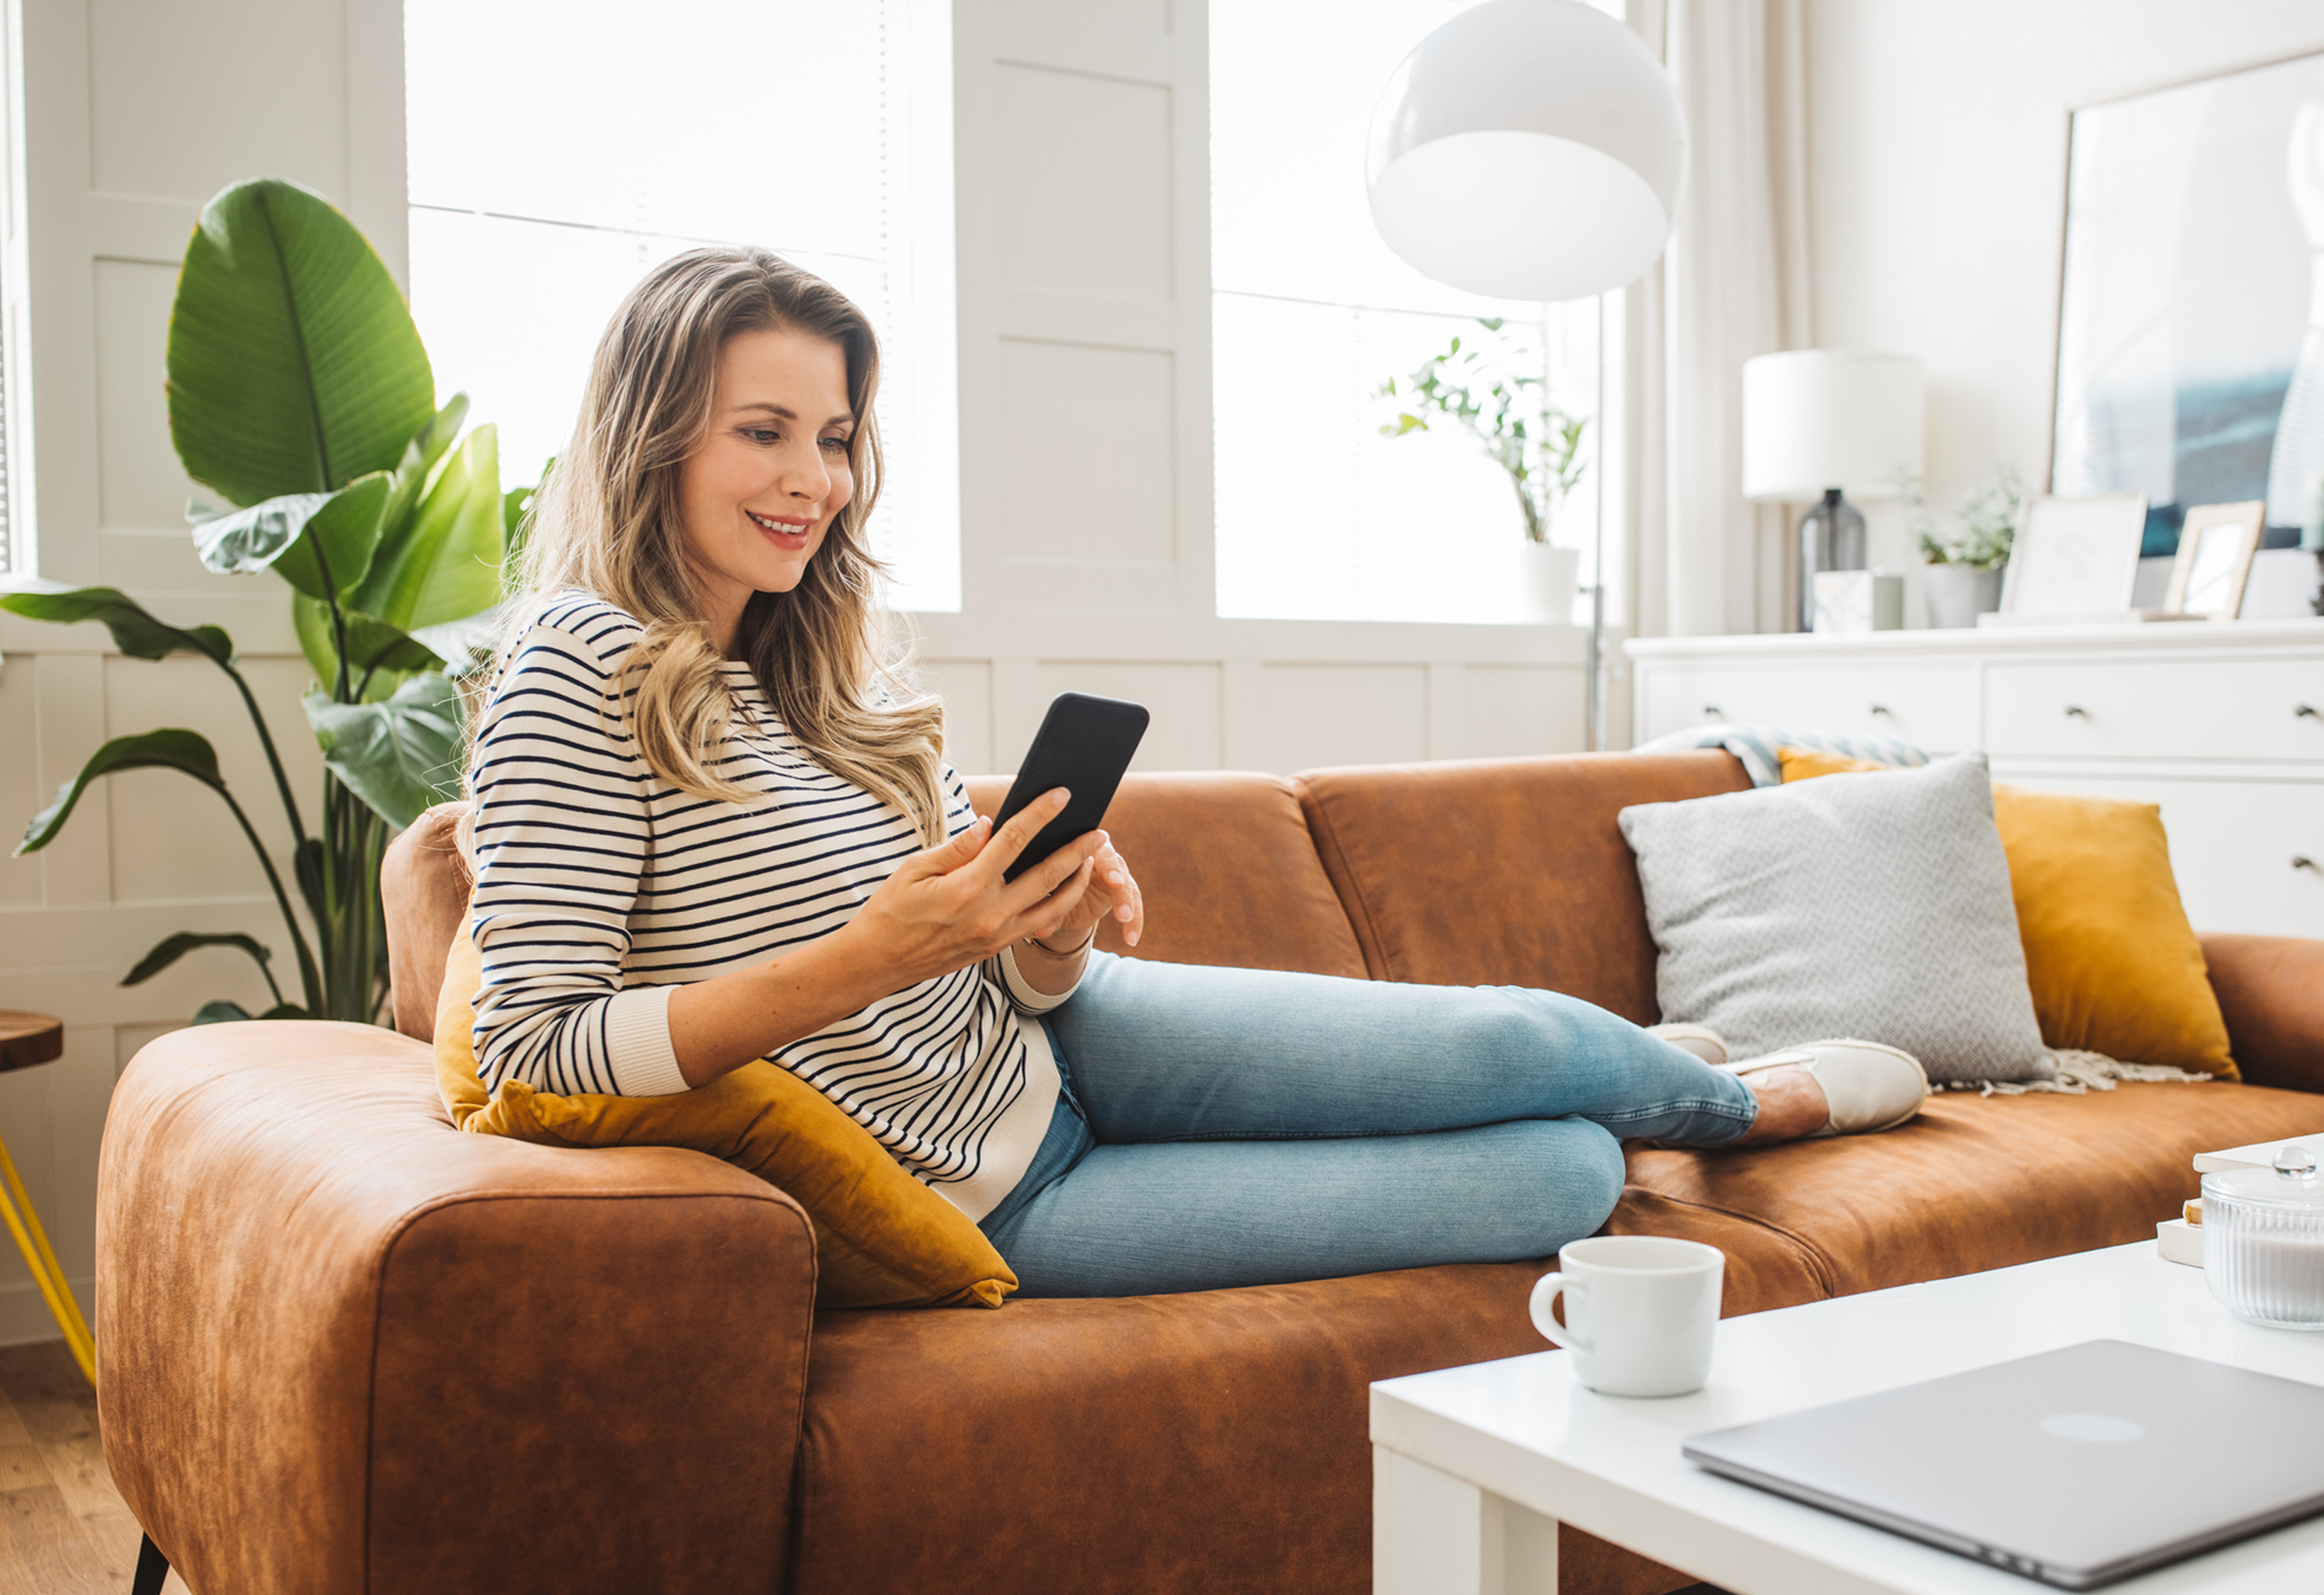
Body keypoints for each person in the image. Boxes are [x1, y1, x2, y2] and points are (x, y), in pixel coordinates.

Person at [464, 246, 1927, 1299]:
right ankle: (1651, 1086)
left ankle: (1741, 1104)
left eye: (836, 438)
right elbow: (535, 1049)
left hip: (1062, 1041)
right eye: (764, 432)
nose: (815, 479)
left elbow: (992, 974)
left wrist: (1043, 933)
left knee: (1520, 1044)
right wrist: (860, 959)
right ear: (653, 436)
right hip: (1000, 1197)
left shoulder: (809, 669)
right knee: (1554, 1174)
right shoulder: (572, 673)